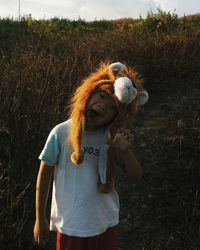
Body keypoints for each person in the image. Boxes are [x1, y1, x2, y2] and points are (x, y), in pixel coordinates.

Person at [33, 62, 149, 250]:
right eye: (101, 96)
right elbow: (44, 175)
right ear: (88, 92)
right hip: (72, 225)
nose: (103, 106)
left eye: (113, 108)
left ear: (116, 116)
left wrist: (125, 150)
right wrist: (40, 218)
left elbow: (136, 176)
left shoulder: (111, 138)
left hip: (106, 222)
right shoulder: (62, 132)